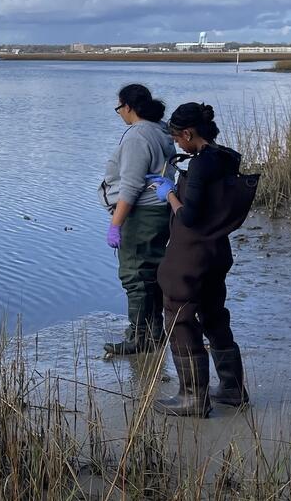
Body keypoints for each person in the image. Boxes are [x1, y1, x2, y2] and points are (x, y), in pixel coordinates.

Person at [148, 103, 251, 418]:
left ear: (189, 133)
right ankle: (233, 390)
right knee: (214, 315)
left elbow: (189, 217)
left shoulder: (201, 165)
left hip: (191, 254)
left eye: (179, 138)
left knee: (178, 316)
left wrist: (168, 193)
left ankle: (193, 398)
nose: (178, 144)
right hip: (216, 251)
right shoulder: (225, 157)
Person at [99, 84, 177, 355]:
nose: (119, 113)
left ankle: (139, 337)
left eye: (119, 108)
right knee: (152, 274)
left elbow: (131, 186)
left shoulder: (137, 136)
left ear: (128, 107)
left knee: (135, 276)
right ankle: (155, 333)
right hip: (159, 211)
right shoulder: (161, 129)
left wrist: (116, 225)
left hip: (141, 215)